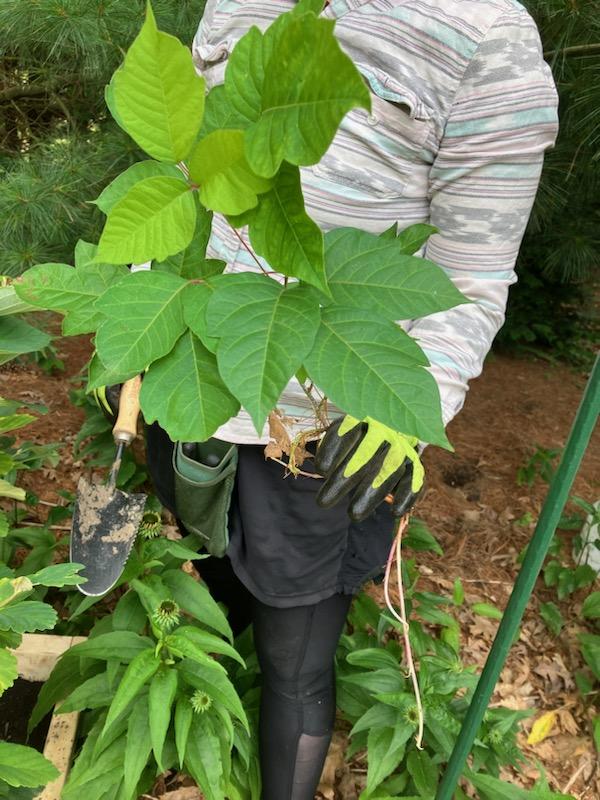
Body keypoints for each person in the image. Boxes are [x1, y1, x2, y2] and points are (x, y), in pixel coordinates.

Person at [144, 2, 560, 798]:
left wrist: (411, 403)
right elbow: (187, 167)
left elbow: (471, 276)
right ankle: (218, 737)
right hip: (194, 369)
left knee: (295, 657)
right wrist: (136, 311)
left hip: (326, 416)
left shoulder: (487, 40)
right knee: (220, 571)